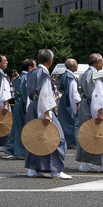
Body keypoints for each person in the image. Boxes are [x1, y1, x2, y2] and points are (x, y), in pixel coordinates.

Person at [24, 49, 71, 179]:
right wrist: (46, 113)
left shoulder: (33, 73)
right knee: (57, 138)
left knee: (35, 138)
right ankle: (56, 170)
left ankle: (33, 168)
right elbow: (44, 94)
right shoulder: (44, 73)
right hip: (43, 107)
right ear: (51, 60)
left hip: (33, 107)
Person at [75, 54, 103, 174]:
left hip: (85, 106)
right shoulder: (95, 76)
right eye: (102, 61)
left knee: (87, 134)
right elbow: (97, 95)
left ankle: (83, 163)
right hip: (93, 106)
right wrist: (100, 112)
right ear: (97, 63)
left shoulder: (84, 75)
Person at [2, 59, 34, 160]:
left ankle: (11, 150)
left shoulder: (19, 78)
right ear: (30, 68)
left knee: (15, 128)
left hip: (17, 104)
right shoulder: (28, 78)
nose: (36, 68)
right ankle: (21, 152)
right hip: (24, 105)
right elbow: (27, 95)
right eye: (35, 65)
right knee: (22, 128)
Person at [56, 59, 80, 151]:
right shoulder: (70, 76)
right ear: (72, 66)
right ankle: (72, 142)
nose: (77, 66)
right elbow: (74, 91)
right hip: (69, 101)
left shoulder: (63, 76)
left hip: (64, 100)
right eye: (76, 64)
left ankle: (67, 141)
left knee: (64, 121)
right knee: (72, 121)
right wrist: (77, 103)